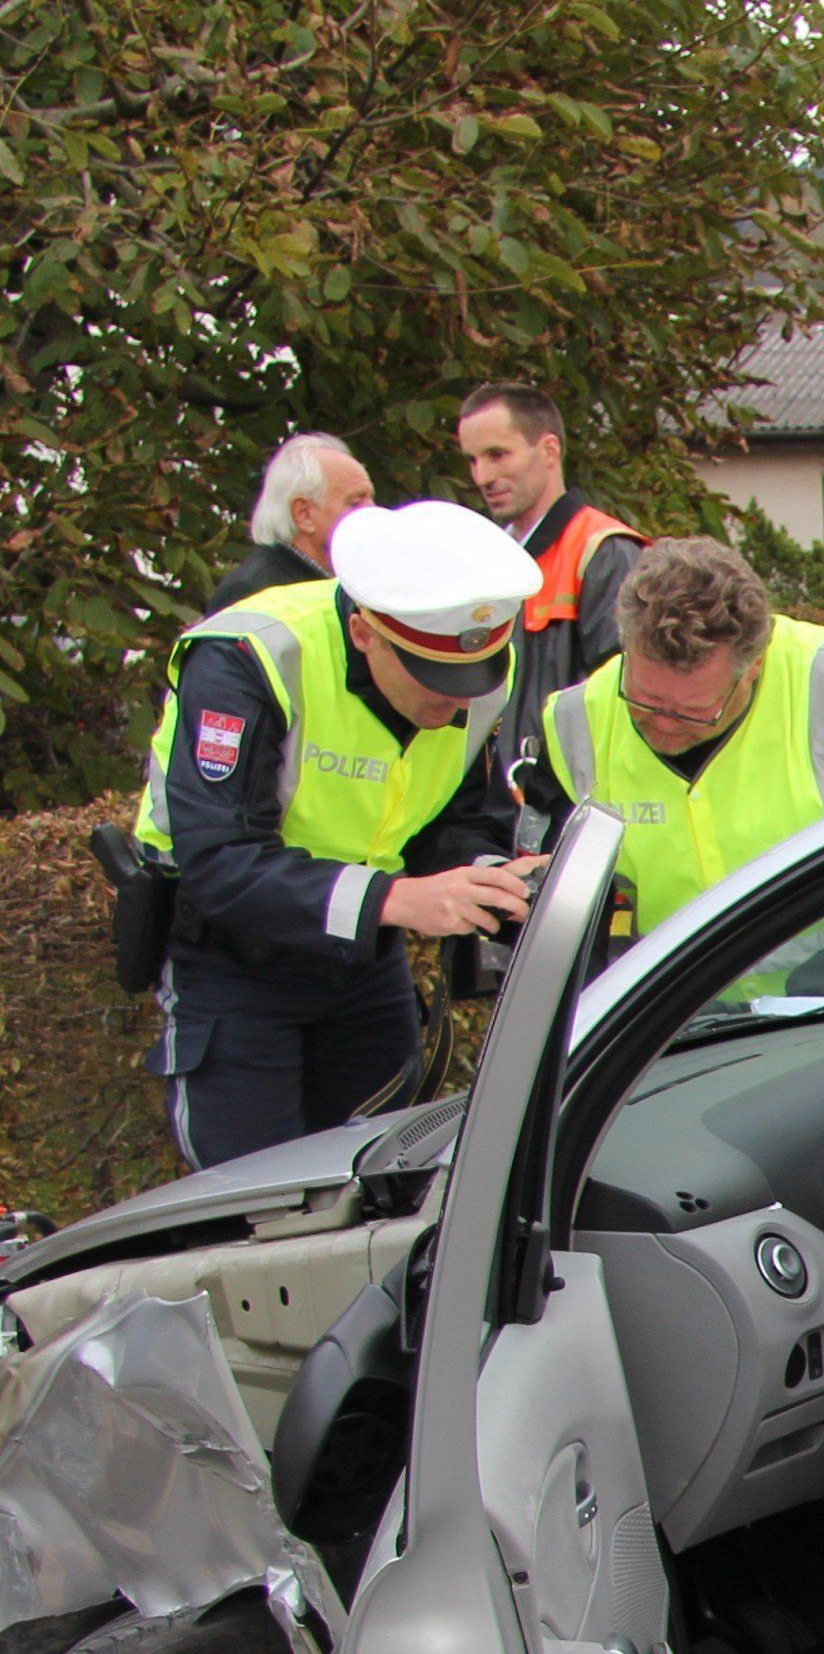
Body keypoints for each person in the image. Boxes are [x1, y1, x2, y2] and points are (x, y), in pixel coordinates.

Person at [135, 501, 538, 1170]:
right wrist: (397, 901)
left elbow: (459, 818)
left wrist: (492, 876)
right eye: (436, 681)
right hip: (235, 964)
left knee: (381, 1185)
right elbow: (218, 862)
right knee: (252, 1206)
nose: (458, 706)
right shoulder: (250, 657)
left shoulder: (476, 676)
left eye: (473, 679)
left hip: (361, 963)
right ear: (363, 632)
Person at [528, 537, 824, 991]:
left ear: (753, 666)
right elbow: (563, 909)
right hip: (692, 1021)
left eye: (695, 711)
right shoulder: (573, 725)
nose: (664, 725)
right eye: (644, 701)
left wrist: (810, 1005)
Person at [457, 380, 646, 787]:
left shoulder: (604, 552)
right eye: (472, 460)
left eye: (497, 455)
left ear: (549, 450)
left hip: (565, 798)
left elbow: (628, 701)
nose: (482, 476)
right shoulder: (488, 557)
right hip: (496, 805)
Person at [208, 434, 375, 611]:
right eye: (355, 503)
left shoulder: (354, 581)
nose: (373, 510)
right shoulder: (252, 593)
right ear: (304, 514)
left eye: (372, 498)